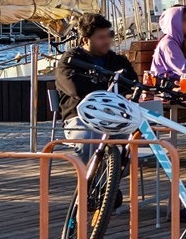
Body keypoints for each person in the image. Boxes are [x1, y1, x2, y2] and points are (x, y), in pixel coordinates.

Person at [54, 13, 136, 156]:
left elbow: (132, 83)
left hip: (115, 115)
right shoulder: (70, 60)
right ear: (85, 40)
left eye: (109, 35)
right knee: (90, 140)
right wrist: (109, 85)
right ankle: (88, 177)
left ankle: (114, 175)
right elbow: (76, 89)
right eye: (101, 37)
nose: (107, 41)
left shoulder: (117, 60)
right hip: (80, 116)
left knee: (137, 137)